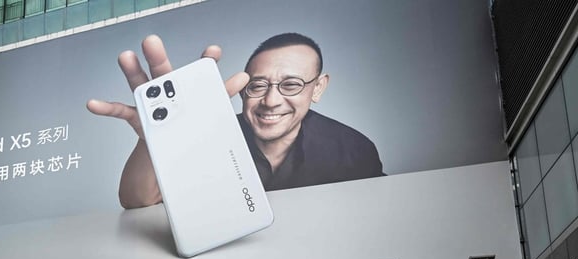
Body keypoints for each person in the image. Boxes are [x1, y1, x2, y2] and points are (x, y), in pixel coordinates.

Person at [89, 33, 383, 209]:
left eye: (291, 85)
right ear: (242, 91)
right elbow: (137, 201)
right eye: (257, 86)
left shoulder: (354, 150)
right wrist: (156, 138)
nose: (271, 101)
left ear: (317, 88)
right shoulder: (205, 137)